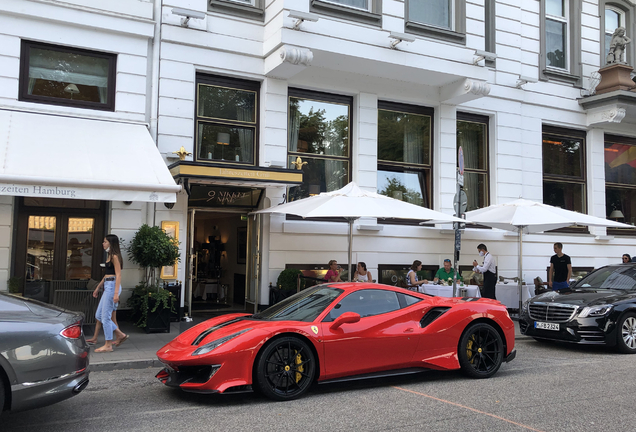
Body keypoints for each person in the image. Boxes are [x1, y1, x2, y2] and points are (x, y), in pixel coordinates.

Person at [90, 235, 129, 353]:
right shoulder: (109, 256)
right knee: (99, 315)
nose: (103, 243)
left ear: (111, 243)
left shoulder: (115, 256)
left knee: (105, 317)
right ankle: (120, 334)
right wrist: (98, 287)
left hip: (112, 287)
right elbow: (107, 274)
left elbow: (118, 275)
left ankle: (108, 344)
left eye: (105, 241)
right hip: (108, 285)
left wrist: (116, 293)